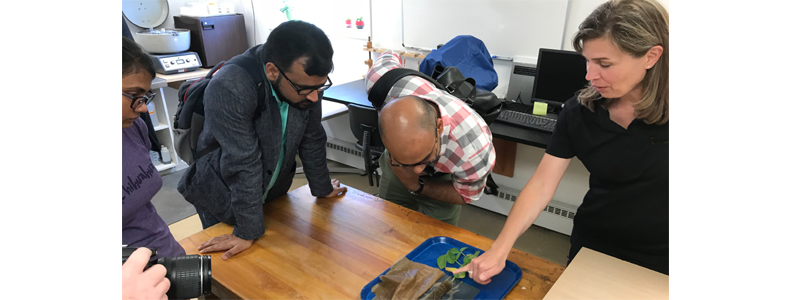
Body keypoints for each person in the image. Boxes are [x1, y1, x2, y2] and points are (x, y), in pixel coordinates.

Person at [454, 0, 669, 281]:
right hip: (594, 245)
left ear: (651, 56)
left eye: (604, 64)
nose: (590, 76)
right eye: (588, 62)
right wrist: (500, 248)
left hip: (664, 259)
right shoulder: (580, 112)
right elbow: (542, 184)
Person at [177, 20, 347, 260]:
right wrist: (247, 231)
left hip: (271, 188)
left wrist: (322, 188)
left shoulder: (307, 85)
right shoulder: (230, 85)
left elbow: (312, 137)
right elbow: (242, 162)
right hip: (222, 191)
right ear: (272, 71)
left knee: (277, 266)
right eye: (305, 89)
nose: (313, 97)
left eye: (320, 87)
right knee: (235, 272)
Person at [365, 51, 496, 226]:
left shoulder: (474, 148)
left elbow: (465, 194)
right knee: (390, 224)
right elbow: (389, 55)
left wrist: (416, 186)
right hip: (395, 171)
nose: (417, 170)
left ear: (439, 127)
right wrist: (400, 168)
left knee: (436, 235)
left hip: (443, 179)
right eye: (406, 162)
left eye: (426, 156)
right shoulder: (380, 82)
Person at [123, 36, 186, 260]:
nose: (141, 108)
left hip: (165, 254)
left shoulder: (132, 128)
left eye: (144, 97)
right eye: (133, 96)